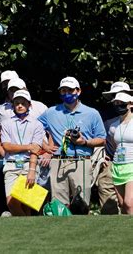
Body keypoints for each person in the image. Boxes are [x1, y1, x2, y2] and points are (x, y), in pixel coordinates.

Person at [38, 76, 106, 207]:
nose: (67, 93)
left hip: (81, 160)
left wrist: (84, 142)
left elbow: (102, 140)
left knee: (82, 203)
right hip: (58, 160)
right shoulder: (51, 112)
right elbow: (34, 128)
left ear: (78, 91)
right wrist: (45, 146)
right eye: (63, 90)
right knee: (58, 204)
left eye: (70, 90)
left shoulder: (92, 113)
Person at [1, 90, 44, 216]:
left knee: (26, 203)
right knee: (11, 202)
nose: (20, 106)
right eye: (17, 103)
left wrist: (32, 170)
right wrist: (28, 146)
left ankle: (25, 230)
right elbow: (7, 146)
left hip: (28, 165)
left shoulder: (37, 124)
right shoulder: (6, 123)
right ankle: (26, 224)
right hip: (11, 165)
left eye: (23, 103)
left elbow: (35, 150)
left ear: (29, 105)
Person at [106, 92, 133, 214]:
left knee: (129, 202)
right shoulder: (113, 126)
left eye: (121, 103)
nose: (118, 106)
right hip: (118, 166)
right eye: (116, 103)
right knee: (122, 204)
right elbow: (115, 145)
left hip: (131, 165)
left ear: (130, 104)